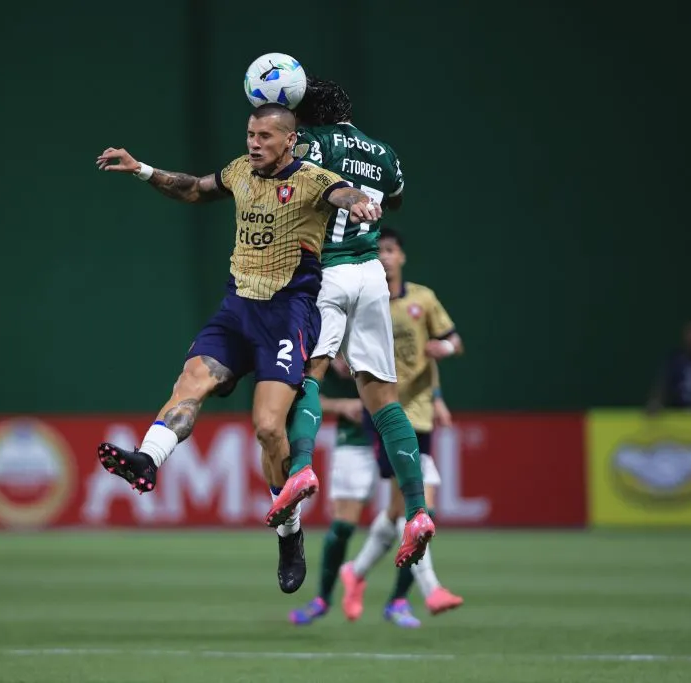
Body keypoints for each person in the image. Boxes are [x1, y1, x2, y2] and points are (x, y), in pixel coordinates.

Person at [94, 103, 381, 594]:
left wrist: (357, 201)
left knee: (268, 428)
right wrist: (142, 169)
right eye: (250, 133)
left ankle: (289, 535)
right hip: (236, 311)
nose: (254, 143)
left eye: (265, 136)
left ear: (289, 140)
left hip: (287, 315)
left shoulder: (312, 179)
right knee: (190, 382)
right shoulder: (238, 172)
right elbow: (194, 188)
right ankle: (148, 460)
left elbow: (341, 191)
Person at [279, 77, 435, 569]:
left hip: (327, 269)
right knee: (384, 399)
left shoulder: (312, 141)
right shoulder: (382, 151)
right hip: (371, 275)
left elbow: (288, 181)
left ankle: (301, 468)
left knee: (309, 375)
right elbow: (397, 196)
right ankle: (417, 512)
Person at [290, 226, 465, 627]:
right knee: (388, 513)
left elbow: (437, 348)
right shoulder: (351, 297)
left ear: (401, 256)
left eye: (390, 250)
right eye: (379, 249)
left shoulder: (421, 300)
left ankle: (385, 590)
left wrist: (439, 390)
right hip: (376, 418)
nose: (384, 257)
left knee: (410, 509)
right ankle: (357, 592)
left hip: (417, 413)